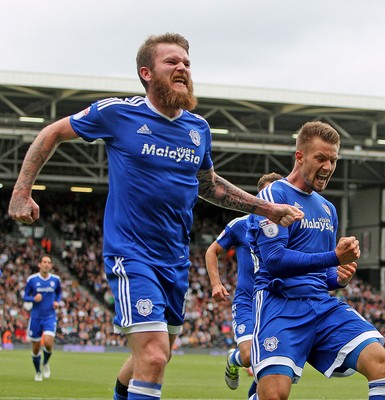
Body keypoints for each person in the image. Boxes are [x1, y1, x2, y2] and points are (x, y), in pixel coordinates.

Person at [8, 33, 303, 400]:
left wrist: (268, 208)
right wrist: (22, 191)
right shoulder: (117, 113)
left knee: (153, 356)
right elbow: (52, 133)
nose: (182, 67)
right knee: (154, 354)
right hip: (131, 254)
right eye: (172, 62)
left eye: (187, 63)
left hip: (176, 262)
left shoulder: (198, 130)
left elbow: (209, 186)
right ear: (146, 72)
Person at [247, 121, 385, 400]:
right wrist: (333, 256)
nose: (328, 166)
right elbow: (275, 260)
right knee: (273, 396)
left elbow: (322, 274)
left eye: (333, 160)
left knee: (380, 361)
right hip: (280, 305)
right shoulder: (274, 195)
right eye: (320, 158)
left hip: (321, 305)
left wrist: (338, 277)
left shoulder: (327, 208)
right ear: (300, 156)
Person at [205, 172, 282, 397]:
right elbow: (212, 251)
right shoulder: (241, 225)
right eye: (267, 194)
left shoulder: (288, 227)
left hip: (273, 303)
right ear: (258, 197)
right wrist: (216, 284)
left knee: (269, 363)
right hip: (247, 300)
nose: (272, 199)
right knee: (249, 356)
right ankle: (234, 359)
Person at [23, 254, 61, 381]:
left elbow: (59, 293)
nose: (46, 264)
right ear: (39, 264)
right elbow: (25, 296)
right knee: (35, 347)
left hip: (50, 316)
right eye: (44, 262)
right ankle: (38, 371)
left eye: (49, 262)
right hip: (36, 317)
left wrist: (57, 301)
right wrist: (33, 298)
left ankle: (45, 363)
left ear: (51, 265)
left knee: (49, 342)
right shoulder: (32, 279)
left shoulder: (56, 280)